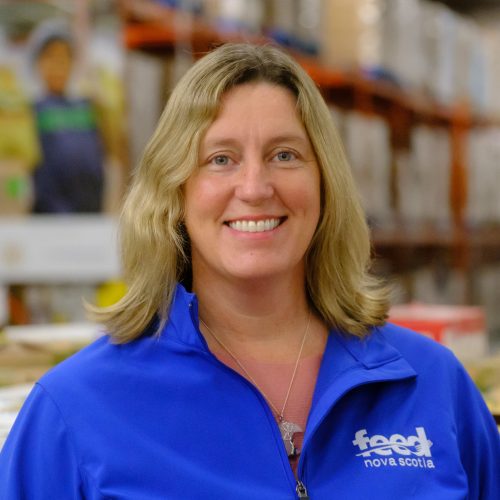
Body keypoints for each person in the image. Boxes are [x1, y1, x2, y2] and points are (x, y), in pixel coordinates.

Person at [0, 43, 499, 499]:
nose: (255, 186)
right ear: (175, 192)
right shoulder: (73, 412)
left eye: (285, 155)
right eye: (221, 159)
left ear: (324, 185)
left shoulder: (433, 386)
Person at [30, 22, 104, 213]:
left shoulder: (87, 107)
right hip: (49, 216)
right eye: (50, 57)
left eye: (64, 57)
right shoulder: (31, 110)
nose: (58, 65)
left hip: (90, 213)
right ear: (37, 62)